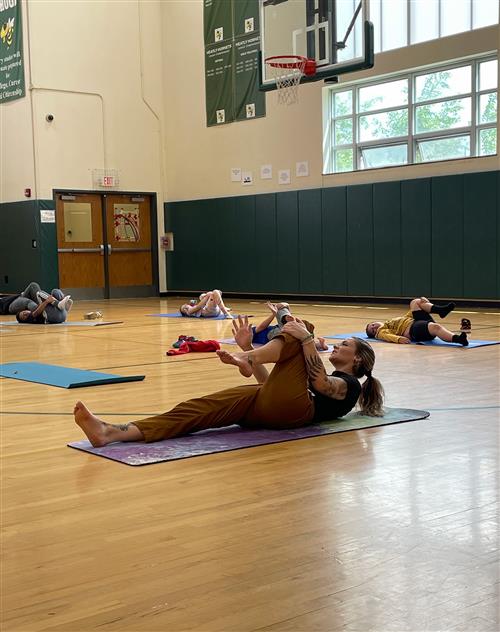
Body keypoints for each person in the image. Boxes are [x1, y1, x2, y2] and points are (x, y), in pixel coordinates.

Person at [73, 315, 384, 447]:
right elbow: (271, 387)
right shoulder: (313, 375)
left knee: (301, 328)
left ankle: (250, 357)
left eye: (345, 346)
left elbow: (320, 386)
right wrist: (248, 349)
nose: (338, 347)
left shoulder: (349, 385)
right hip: (273, 406)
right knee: (195, 409)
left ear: (356, 360)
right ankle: (111, 433)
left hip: (296, 414)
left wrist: (306, 338)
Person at [365, 297, 468, 346]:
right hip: (413, 330)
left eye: (373, 325)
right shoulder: (381, 331)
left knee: (415, 302)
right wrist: (399, 339)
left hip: (416, 321)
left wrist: (422, 302)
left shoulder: (390, 322)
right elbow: (387, 336)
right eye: (373, 330)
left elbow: (408, 316)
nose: (374, 328)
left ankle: (440, 310)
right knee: (435, 327)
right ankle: (458, 339)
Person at [253, 301, 329, 351]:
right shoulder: (249, 332)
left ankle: (318, 344)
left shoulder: (247, 332)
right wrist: (274, 314)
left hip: (280, 332)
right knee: (293, 332)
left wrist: (285, 305)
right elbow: (261, 327)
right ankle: (318, 344)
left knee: (297, 339)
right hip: (276, 335)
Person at [0, 281, 73, 324]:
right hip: (9, 306)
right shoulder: (31, 317)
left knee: (52, 290)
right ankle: (58, 303)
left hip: (61, 315)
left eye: (23, 312)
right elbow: (35, 313)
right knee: (32, 298)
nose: (25, 313)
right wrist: (46, 302)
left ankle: (62, 304)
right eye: (23, 315)